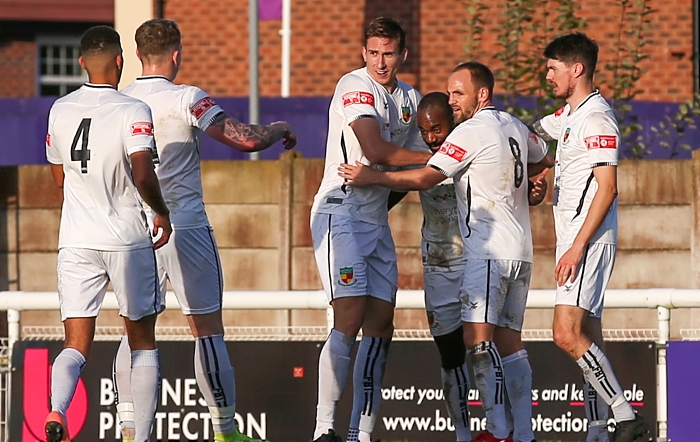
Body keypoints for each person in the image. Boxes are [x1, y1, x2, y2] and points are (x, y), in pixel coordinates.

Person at [338, 61, 553, 442]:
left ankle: (500, 431)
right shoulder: (509, 125)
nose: (432, 136)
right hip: (453, 259)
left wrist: (368, 174)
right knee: (469, 350)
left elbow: (425, 177)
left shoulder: (468, 135)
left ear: (479, 95)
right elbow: (538, 157)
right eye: (425, 131)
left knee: (480, 342)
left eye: (456, 97)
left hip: (482, 255)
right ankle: (482, 434)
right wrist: (533, 185)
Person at [113, 18, 296, 442]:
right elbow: (245, 139)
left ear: (138, 56)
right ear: (176, 55)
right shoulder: (187, 98)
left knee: (137, 328)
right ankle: (225, 431)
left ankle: (128, 428)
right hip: (185, 226)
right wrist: (278, 130)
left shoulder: (120, 102)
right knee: (207, 329)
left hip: (136, 230)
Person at [44, 25, 170, 442]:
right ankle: (144, 435)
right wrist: (161, 211)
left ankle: (56, 410)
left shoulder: (59, 109)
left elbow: (59, 179)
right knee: (143, 343)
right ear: (121, 61)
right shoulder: (133, 110)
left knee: (75, 345)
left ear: (80, 62)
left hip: (76, 240)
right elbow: (142, 172)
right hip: (127, 240)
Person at [309, 16, 433, 442]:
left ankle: (360, 433)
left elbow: (416, 162)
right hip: (340, 214)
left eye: (389, 53)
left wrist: (388, 183)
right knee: (350, 315)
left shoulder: (409, 98)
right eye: (374, 53)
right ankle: (324, 429)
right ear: (364, 53)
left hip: (374, 220)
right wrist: (439, 160)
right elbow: (377, 149)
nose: (381, 62)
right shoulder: (355, 85)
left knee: (381, 324)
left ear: (403, 54)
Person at [531, 33, 649, 442]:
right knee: (587, 337)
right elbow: (533, 136)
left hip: (588, 242)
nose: (546, 75)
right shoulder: (570, 115)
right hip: (574, 240)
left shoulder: (598, 119)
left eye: (552, 68)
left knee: (565, 334)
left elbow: (608, 187)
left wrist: (577, 247)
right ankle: (600, 429)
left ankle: (625, 415)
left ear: (576, 69)